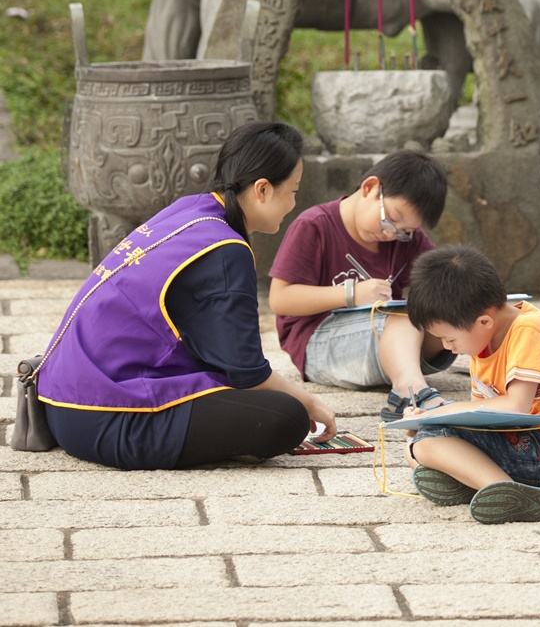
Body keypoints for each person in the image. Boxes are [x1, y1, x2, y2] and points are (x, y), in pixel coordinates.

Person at [38, 121, 336, 469]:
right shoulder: (225, 250)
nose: (294, 203)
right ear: (263, 189)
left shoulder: (191, 211)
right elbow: (247, 373)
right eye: (294, 190)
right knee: (286, 417)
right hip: (107, 416)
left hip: (60, 401)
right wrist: (309, 403)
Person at [402, 244, 540, 524]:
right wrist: (424, 420)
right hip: (525, 444)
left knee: (428, 442)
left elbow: (516, 406)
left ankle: (508, 493)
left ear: (484, 321)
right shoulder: (482, 340)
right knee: (417, 446)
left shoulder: (528, 330)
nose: (447, 347)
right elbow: (483, 417)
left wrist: (439, 414)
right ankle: (484, 484)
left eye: (449, 339)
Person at [268, 150, 453, 419]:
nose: (391, 233)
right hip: (317, 343)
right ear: (370, 188)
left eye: (405, 231)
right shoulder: (315, 226)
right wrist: (351, 293)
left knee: (450, 316)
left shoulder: (405, 239)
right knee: (403, 316)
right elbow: (280, 299)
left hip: (384, 335)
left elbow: (441, 278)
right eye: (390, 218)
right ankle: (409, 390)